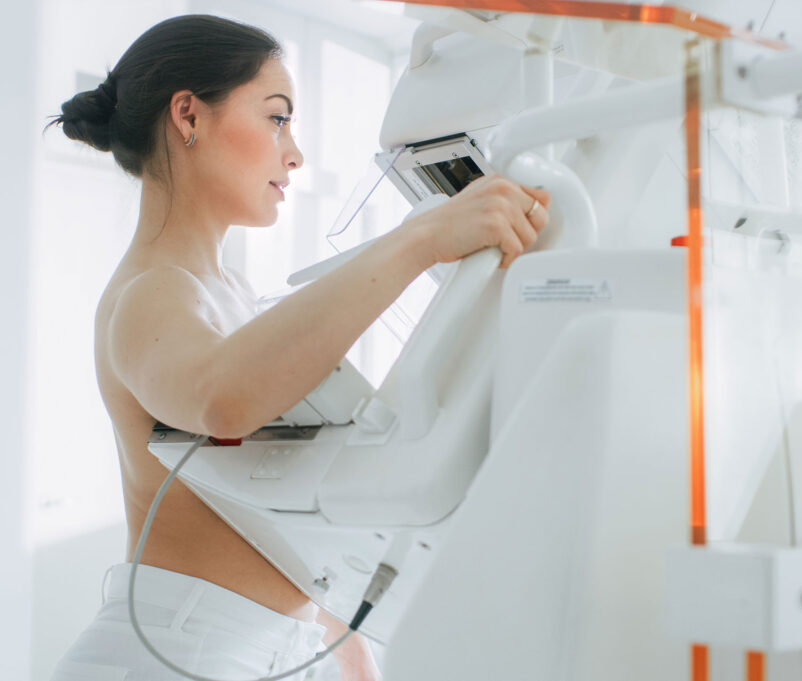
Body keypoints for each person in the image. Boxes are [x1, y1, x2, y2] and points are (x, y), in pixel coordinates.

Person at [46, 14, 549, 681]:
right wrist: (422, 237)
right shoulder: (150, 293)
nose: (296, 154)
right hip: (176, 652)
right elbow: (223, 398)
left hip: (258, 651)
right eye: (277, 117)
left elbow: (261, 515)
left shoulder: (222, 288)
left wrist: (337, 635)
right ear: (189, 116)